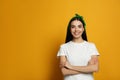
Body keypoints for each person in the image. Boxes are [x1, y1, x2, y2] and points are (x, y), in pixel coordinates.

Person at [57, 14, 100, 80]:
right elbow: (64, 71)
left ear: (83, 29)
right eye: (73, 27)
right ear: (70, 29)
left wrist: (70, 67)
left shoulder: (91, 46)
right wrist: (87, 68)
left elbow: (95, 68)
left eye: (79, 26)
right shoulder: (63, 47)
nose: (76, 29)